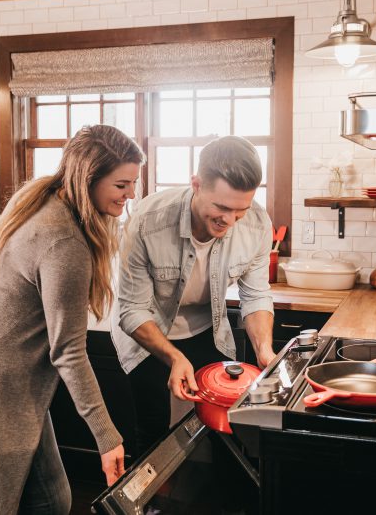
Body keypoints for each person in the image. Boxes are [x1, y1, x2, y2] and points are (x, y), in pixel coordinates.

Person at [0, 125, 145, 515]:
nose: (130, 195)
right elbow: (69, 353)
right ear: (87, 178)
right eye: (122, 185)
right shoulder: (64, 241)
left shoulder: (40, 198)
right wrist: (108, 438)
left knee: (45, 495)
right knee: (28, 500)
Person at [112, 135, 276, 456]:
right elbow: (132, 310)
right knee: (154, 430)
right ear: (196, 184)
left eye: (240, 210)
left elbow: (255, 296)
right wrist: (174, 357)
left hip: (207, 330)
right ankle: (153, 506)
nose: (229, 221)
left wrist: (265, 350)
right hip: (148, 333)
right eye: (221, 207)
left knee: (224, 429)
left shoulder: (256, 224)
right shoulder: (146, 222)